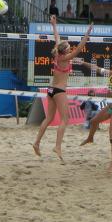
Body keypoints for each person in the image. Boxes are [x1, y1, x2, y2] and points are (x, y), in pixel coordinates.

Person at [32, 15, 93, 161]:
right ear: (65, 51)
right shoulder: (65, 58)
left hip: (51, 90)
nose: (70, 47)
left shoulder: (57, 54)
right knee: (65, 119)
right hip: (59, 91)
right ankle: (57, 146)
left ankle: (36, 143)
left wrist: (54, 24)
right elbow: (79, 49)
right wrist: (87, 33)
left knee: (49, 118)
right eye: (68, 47)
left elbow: (56, 37)